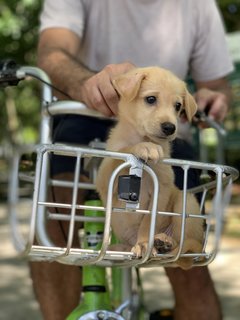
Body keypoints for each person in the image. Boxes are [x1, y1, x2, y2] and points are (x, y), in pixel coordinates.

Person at [31, 1, 234, 319]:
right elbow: (52, 52)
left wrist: (216, 97)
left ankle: (173, 248)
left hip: (167, 137)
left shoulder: (197, 5)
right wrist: (88, 82)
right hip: (83, 112)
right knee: (56, 223)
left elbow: (217, 83)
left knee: (187, 251)